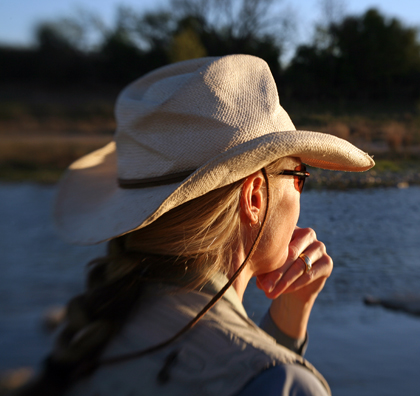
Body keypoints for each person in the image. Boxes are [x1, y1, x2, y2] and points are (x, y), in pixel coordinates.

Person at [16, 54, 374, 396]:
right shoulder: (280, 384)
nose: (301, 194)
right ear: (254, 197)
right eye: (299, 176)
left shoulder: (101, 330)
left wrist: (290, 313)